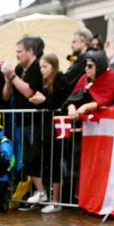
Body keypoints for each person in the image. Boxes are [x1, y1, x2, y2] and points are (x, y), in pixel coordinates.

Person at [2, 37, 45, 206]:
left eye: (20, 51)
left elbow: (29, 92)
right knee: (25, 160)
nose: (17, 55)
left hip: (35, 122)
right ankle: (33, 194)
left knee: (34, 158)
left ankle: (41, 192)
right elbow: (6, 96)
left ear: (30, 51)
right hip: (20, 123)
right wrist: (8, 80)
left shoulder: (37, 68)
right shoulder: (19, 69)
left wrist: (12, 76)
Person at [29, 53, 72, 213]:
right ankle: (42, 193)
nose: (42, 70)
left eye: (45, 66)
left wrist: (43, 101)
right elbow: (47, 105)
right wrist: (38, 102)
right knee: (31, 158)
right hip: (46, 127)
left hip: (58, 127)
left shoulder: (61, 80)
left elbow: (60, 104)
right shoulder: (46, 83)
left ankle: (56, 201)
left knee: (54, 162)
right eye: (41, 67)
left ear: (53, 66)